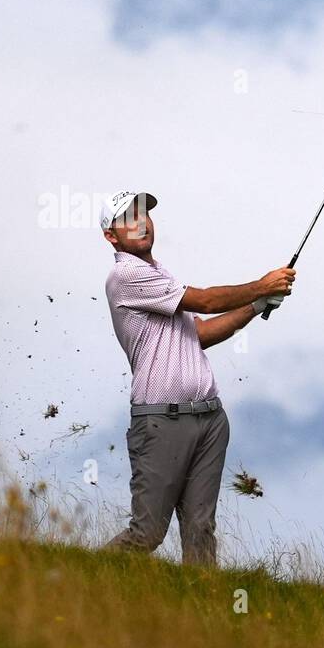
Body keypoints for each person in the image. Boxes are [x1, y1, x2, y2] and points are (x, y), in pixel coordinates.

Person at [99, 190, 294, 565]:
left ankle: (203, 613)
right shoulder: (126, 274)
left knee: (200, 531)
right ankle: (78, 581)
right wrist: (264, 285)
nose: (140, 223)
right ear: (111, 236)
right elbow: (204, 300)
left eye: (144, 215)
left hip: (209, 419)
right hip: (161, 420)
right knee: (148, 533)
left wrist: (255, 306)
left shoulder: (158, 274)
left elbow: (199, 333)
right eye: (127, 219)